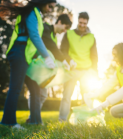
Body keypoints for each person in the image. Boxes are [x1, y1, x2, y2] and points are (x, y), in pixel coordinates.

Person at [0, 0, 57, 129]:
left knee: (35, 87)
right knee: (15, 88)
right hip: (19, 51)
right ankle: (8, 122)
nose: (50, 10)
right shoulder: (32, 12)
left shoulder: (36, 13)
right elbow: (34, 36)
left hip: (25, 54)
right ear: (43, 2)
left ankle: (35, 121)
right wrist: (46, 56)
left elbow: (33, 41)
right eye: (49, 6)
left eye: (52, 8)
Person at [26, 14, 74, 123]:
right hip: (34, 66)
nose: (65, 31)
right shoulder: (45, 28)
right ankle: (33, 118)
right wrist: (64, 60)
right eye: (65, 27)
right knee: (37, 93)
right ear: (60, 22)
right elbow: (51, 46)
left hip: (42, 69)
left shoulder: (53, 36)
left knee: (42, 94)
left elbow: (54, 50)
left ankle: (32, 117)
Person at [59, 12, 98, 121]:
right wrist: (69, 60)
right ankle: (62, 120)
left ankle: (83, 120)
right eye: (80, 22)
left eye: (84, 23)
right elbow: (63, 50)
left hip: (86, 71)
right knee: (67, 96)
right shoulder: (69, 34)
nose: (82, 25)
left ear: (87, 23)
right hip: (72, 70)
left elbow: (94, 56)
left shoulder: (91, 37)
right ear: (78, 21)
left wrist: (94, 71)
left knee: (86, 98)